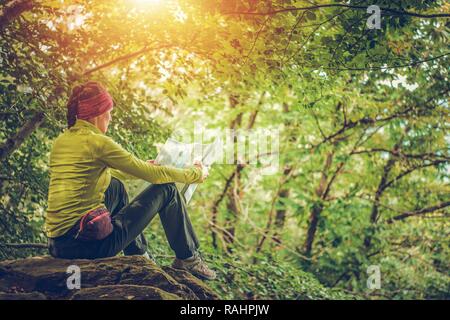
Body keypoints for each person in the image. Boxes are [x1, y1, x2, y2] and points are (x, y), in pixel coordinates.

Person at [45, 81, 216, 280]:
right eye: (109, 113)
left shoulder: (63, 141)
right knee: (167, 190)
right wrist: (195, 174)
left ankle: (139, 255)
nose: (110, 119)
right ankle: (188, 259)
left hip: (58, 244)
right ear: (98, 114)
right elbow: (155, 177)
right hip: (85, 248)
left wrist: (143, 165)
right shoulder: (97, 142)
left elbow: (102, 173)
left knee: (114, 186)